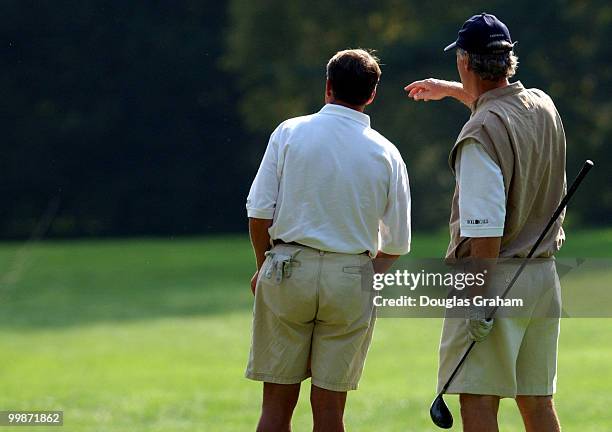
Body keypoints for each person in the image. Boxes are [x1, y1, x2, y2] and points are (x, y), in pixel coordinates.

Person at [405, 13, 566, 432]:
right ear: (507, 61)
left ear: (464, 61)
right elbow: (502, 107)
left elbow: (485, 226)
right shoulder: (543, 105)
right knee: (537, 401)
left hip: (492, 277)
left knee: (477, 400)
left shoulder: (479, 133)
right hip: (543, 277)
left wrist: (477, 297)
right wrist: (454, 92)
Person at [246, 49, 411, 432]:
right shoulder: (388, 152)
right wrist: (363, 276)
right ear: (372, 94)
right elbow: (398, 242)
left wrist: (263, 267)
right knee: (330, 411)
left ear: (327, 87)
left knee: (275, 408)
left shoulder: (289, 132)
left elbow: (259, 209)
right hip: (351, 273)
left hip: (288, 267)